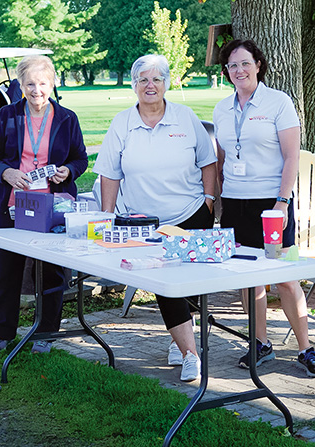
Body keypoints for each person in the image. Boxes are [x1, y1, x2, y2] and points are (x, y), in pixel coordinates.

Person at [94, 54, 218, 382]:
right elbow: (109, 173)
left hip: (191, 213)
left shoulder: (185, 117)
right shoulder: (122, 123)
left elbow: (208, 161)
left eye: (157, 79)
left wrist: (208, 200)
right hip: (144, 222)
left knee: (189, 285)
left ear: (166, 83)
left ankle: (181, 344)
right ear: (134, 85)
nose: (150, 86)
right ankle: (192, 354)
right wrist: (107, 216)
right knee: (165, 284)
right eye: (143, 80)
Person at [213, 39, 315, 378]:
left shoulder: (278, 102)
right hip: (235, 203)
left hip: (272, 206)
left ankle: (306, 348)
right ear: (226, 71)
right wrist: (219, 199)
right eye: (232, 65)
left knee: (286, 277)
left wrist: (282, 201)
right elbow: (221, 157)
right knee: (249, 279)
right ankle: (260, 343)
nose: (239, 70)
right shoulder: (222, 108)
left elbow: (292, 155)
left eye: (245, 63)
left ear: (259, 65)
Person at [0, 55, 88, 355]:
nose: (36, 90)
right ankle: (3, 333)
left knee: (52, 272)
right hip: (10, 208)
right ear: (20, 85)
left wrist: (69, 171)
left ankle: (46, 334)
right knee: (5, 271)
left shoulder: (67, 118)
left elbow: (80, 158)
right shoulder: (7, 116)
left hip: (52, 210)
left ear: (52, 84)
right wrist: (6, 172)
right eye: (30, 84)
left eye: (42, 83)